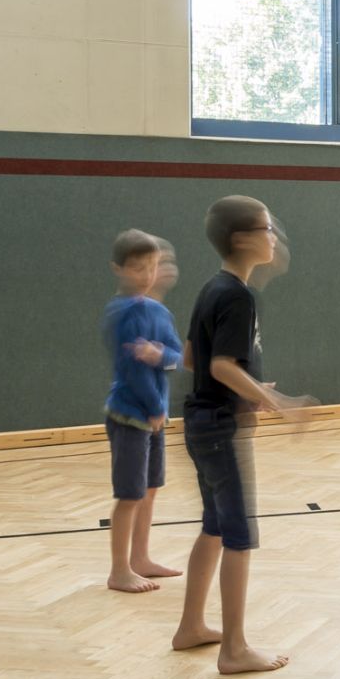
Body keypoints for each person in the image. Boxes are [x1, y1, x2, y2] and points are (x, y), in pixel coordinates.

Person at [175, 196, 311, 674]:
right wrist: (276, 401)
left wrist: (250, 388)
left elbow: (192, 358)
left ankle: (191, 625)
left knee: (214, 527)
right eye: (267, 228)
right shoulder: (237, 295)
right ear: (242, 239)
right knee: (238, 535)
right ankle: (234, 648)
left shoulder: (212, 288)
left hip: (200, 422)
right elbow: (217, 364)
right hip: (221, 429)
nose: (274, 236)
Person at [100, 230, 187, 594]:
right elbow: (133, 370)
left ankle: (141, 558)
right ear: (118, 269)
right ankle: (119, 570)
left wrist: (161, 356)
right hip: (132, 417)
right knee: (130, 495)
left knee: (149, 489)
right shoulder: (125, 312)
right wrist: (154, 407)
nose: (147, 274)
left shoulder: (157, 311)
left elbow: (177, 358)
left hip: (155, 418)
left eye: (152, 266)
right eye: (137, 268)